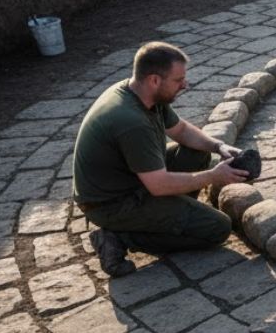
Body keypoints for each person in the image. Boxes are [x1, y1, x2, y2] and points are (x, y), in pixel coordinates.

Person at [72, 42, 249, 276]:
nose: (185, 84)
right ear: (155, 80)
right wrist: (213, 176)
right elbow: (158, 185)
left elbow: (182, 131)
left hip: (134, 178)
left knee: (197, 151)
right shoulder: (131, 121)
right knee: (217, 227)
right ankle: (117, 237)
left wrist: (219, 146)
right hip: (112, 204)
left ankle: (173, 215)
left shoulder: (143, 94)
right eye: (178, 80)